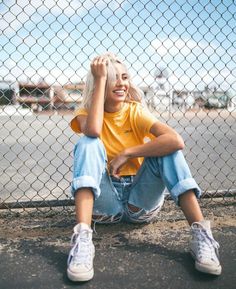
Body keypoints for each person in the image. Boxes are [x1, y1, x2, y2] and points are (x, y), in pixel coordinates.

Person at [67, 52, 222, 282]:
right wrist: (100, 79)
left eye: (125, 77)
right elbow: (93, 131)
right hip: (105, 206)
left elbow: (176, 140)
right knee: (88, 143)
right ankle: (82, 240)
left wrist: (128, 153)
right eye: (112, 77)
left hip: (140, 202)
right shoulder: (85, 114)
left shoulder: (135, 111)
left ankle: (202, 235)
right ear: (99, 82)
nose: (121, 83)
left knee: (169, 149)